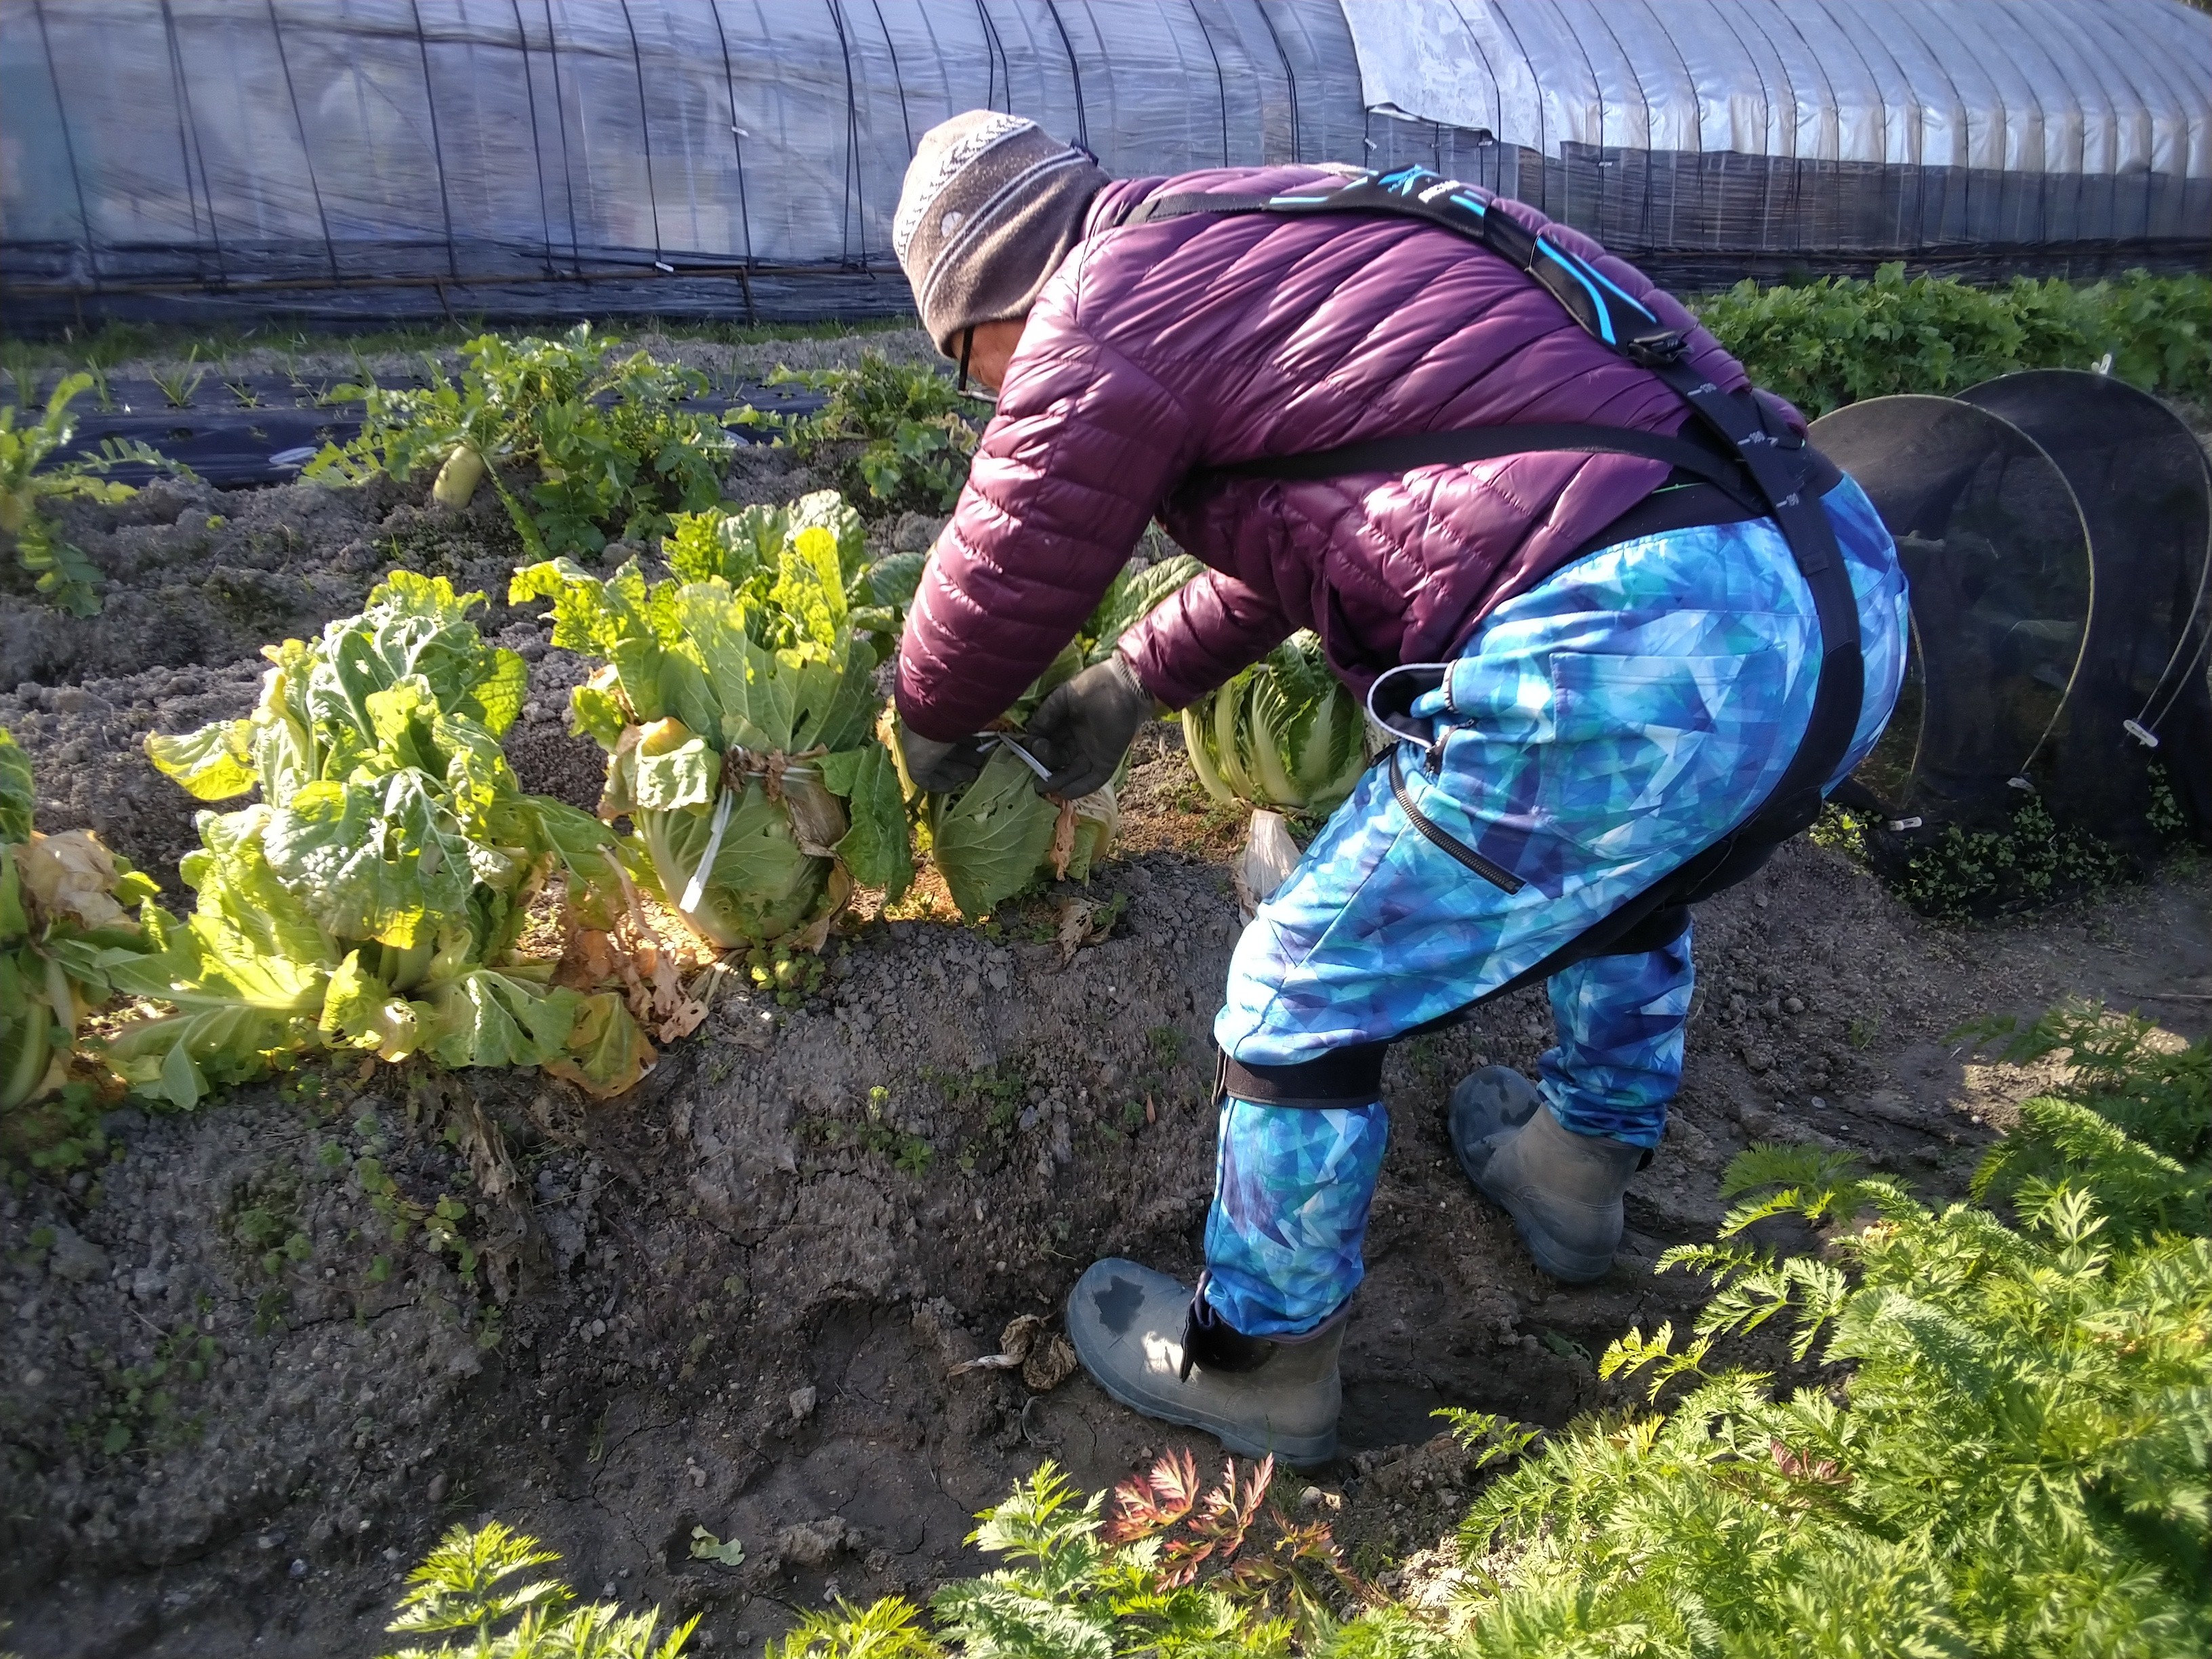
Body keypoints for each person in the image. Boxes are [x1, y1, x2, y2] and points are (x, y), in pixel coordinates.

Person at [887, 112, 1908, 1464]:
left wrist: (922, 721)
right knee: (1622, 869)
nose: (993, 398)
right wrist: (1137, 678)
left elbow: (1009, 561)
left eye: (975, 377)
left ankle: (1261, 1360)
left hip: (1635, 633)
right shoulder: (1291, 224)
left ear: (983, 311)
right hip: (1836, 592)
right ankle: (1573, 1174)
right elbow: (1337, 516)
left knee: (1295, 989)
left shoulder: (1097, 302)